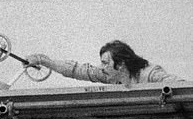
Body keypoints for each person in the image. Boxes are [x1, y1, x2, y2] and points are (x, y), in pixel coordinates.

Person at [26, 40, 183, 87]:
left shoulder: (150, 74)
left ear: (120, 63)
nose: (101, 68)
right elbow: (77, 70)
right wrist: (44, 61)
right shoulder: (109, 75)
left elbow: (181, 86)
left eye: (105, 63)